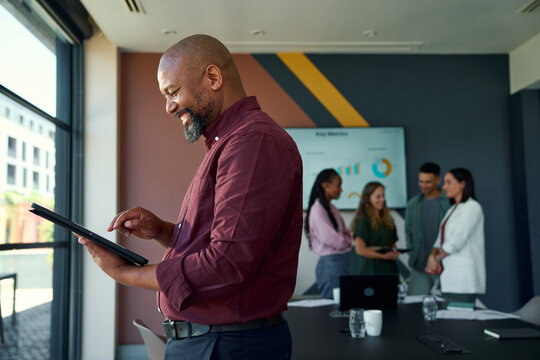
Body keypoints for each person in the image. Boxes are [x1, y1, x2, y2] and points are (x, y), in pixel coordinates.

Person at [75, 34, 303, 360]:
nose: (168, 106)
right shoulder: (229, 142)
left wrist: (124, 273)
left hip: (227, 347)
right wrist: (162, 231)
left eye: (172, 92)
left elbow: (226, 263)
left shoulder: (252, 142)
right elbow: (219, 243)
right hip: (215, 343)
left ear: (212, 78)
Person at [425, 168, 485, 304]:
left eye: (448, 182)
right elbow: (439, 239)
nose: (444, 187)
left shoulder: (472, 207)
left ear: (462, 184)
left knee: (461, 322)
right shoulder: (452, 209)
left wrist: (436, 259)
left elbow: (456, 241)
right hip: (449, 277)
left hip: (463, 280)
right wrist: (432, 256)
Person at [305, 169, 353, 299]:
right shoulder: (318, 209)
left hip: (340, 262)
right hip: (331, 265)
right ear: (325, 185)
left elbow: (346, 233)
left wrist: (346, 236)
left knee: (342, 304)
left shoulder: (332, 208)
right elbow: (335, 240)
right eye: (338, 185)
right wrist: (347, 238)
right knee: (333, 307)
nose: (341, 190)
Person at [405, 162, 450, 295]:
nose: (423, 185)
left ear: (438, 180)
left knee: (448, 305)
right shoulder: (413, 204)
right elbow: (409, 232)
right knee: (414, 306)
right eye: (421, 181)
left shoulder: (449, 201)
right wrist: (413, 253)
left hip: (445, 265)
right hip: (419, 265)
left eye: (428, 182)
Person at [350, 182, 400, 275]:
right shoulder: (363, 220)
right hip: (371, 270)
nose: (382, 199)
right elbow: (360, 250)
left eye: (383, 196)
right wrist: (384, 256)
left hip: (389, 269)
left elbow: (393, 244)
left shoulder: (387, 219)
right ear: (368, 198)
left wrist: (394, 252)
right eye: (378, 197)